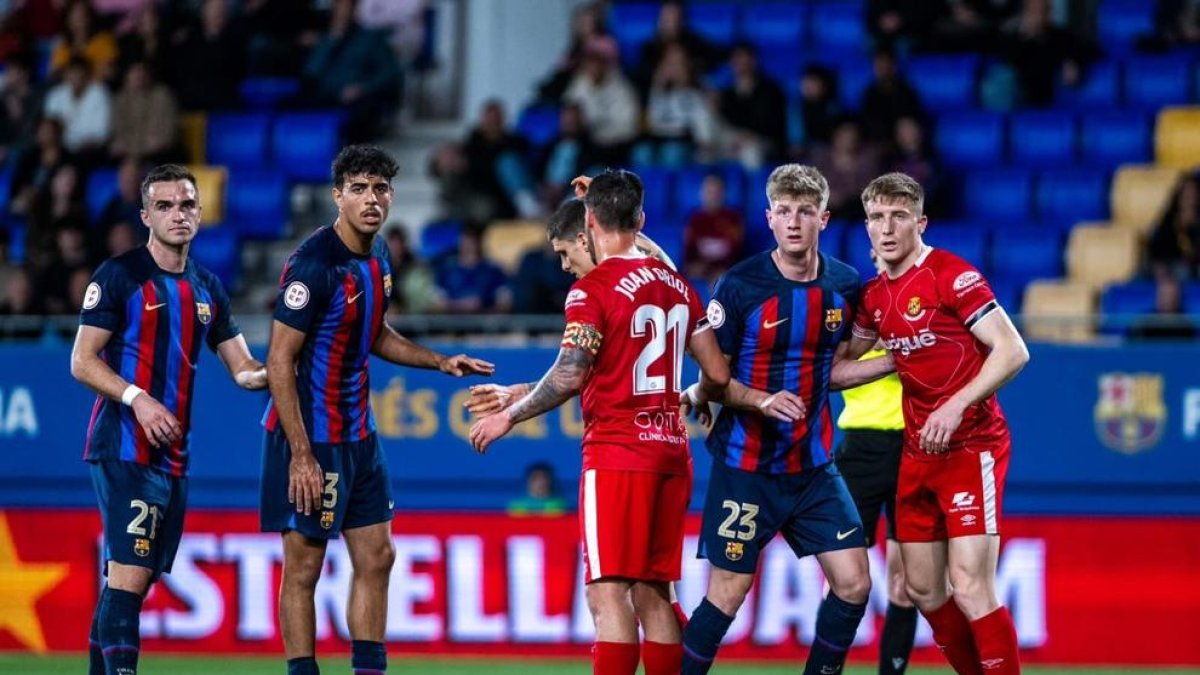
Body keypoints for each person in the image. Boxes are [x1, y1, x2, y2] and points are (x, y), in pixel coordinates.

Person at [468, 169, 731, 675]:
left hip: (616, 455)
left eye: (566, 253)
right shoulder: (676, 284)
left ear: (588, 224)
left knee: (607, 595)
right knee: (655, 594)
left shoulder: (591, 291)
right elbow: (716, 373)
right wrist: (694, 395)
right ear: (641, 219)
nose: (567, 267)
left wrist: (510, 416)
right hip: (672, 455)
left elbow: (571, 376)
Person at [261, 145, 494, 675]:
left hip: (359, 434)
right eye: (360, 189)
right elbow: (279, 359)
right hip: (311, 438)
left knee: (378, 558)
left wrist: (439, 361)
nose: (372, 200)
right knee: (305, 567)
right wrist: (300, 454)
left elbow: (376, 333)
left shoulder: (379, 255)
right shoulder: (312, 265)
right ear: (337, 196)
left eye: (381, 189)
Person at [677, 164, 895, 675]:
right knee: (727, 595)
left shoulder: (844, 285)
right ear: (769, 218)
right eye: (784, 212)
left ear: (823, 217)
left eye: (805, 212)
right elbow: (713, 377)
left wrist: (894, 359)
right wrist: (759, 399)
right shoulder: (740, 286)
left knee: (855, 583)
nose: (794, 222)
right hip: (746, 467)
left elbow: (832, 373)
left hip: (814, 467)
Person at [70, 163, 268, 675]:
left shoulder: (207, 287)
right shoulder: (120, 276)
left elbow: (243, 369)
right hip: (123, 445)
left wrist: (283, 370)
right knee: (130, 577)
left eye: (185, 205)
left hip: (172, 455)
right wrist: (137, 397)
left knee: (129, 581)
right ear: (145, 216)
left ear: (200, 213)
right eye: (164, 206)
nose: (177, 215)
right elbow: (82, 361)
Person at [852, 172, 1030, 674]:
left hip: (971, 446)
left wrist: (955, 405)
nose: (887, 229)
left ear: (920, 222)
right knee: (922, 589)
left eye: (899, 217)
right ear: (866, 226)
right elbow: (842, 366)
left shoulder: (952, 275)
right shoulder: (873, 297)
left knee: (973, 586)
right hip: (918, 453)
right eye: (877, 218)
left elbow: (1013, 350)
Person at [836, 256, 917, 675]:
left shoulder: (927, 303)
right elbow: (831, 368)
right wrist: (892, 358)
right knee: (846, 581)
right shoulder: (856, 306)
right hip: (861, 449)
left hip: (914, 448)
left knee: (907, 581)